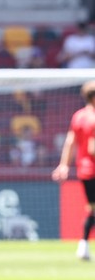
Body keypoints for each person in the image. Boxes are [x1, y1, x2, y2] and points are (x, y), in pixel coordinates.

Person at [52, 80, 95, 261]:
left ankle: (83, 245)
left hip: (84, 171)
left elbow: (70, 141)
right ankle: (83, 245)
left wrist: (64, 165)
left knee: (92, 209)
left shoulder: (78, 116)